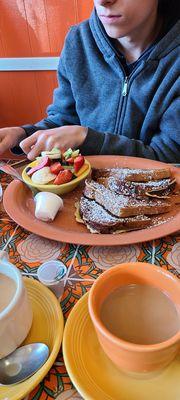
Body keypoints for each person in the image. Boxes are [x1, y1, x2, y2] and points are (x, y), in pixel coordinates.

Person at [0, 0, 179, 162]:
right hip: (84, 192)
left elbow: (169, 158)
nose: (102, 1)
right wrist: (24, 134)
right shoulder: (78, 40)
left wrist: (88, 139)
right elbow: (65, 120)